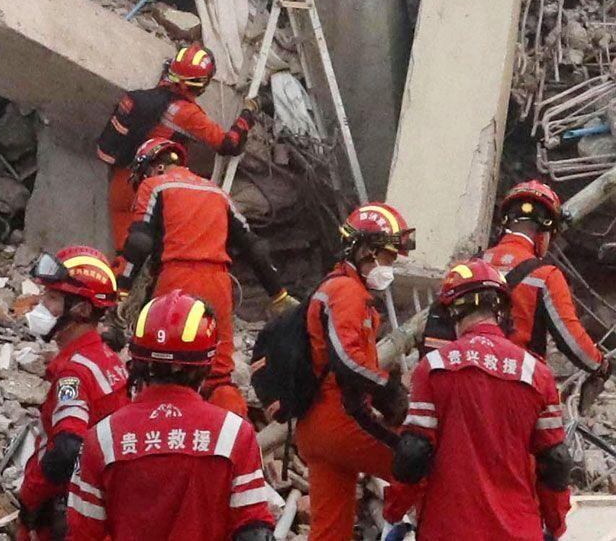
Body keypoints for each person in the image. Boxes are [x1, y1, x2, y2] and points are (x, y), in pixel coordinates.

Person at [67, 290, 275, 540]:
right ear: (207, 361)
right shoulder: (234, 434)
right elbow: (253, 530)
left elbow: (83, 533)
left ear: (137, 358)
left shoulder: (102, 438)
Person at [386, 259, 571, 540]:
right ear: (500, 310)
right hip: (519, 530)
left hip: (448, 529)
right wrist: (555, 524)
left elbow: (413, 452)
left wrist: (393, 512)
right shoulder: (537, 373)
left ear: (453, 312)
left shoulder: (433, 368)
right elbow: (555, 461)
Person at [117, 138, 293, 417]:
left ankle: (160, 424)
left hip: (177, 280)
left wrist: (123, 288)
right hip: (219, 284)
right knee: (219, 375)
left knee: (160, 361)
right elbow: (254, 246)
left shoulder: (156, 185)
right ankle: (232, 440)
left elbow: (140, 243)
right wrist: (278, 294)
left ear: (152, 167)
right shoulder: (216, 191)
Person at [295, 203, 414, 541]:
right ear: (364, 251)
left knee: (330, 531)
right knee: (423, 467)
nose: (390, 268)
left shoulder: (335, 288)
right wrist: (389, 390)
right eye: (387, 257)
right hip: (341, 418)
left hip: (315, 426)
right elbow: (347, 361)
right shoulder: (347, 293)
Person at [97, 43, 258, 255]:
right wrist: (248, 114)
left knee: (125, 252)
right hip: (151, 187)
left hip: (121, 181)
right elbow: (229, 144)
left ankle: (118, 284)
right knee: (158, 254)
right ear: (201, 85)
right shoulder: (186, 113)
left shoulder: (156, 94)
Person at [18, 246, 131, 541]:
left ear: (81, 309)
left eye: (53, 298)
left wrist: (31, 498)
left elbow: (69, 446)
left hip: (69, 512)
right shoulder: (107, 360)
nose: (41, 305)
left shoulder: (75, 373)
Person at [479, 179, 611, 379]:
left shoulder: (469, 267)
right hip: (516, 381)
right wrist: (602, 365)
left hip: (466, 379)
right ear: (545, 232)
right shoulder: (545, 275)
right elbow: (572, 341)